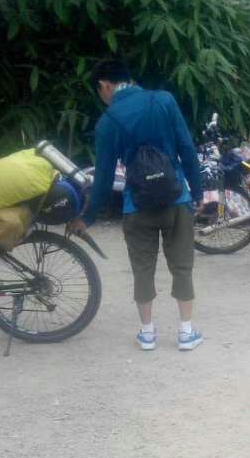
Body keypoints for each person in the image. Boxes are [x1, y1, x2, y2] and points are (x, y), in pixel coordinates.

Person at [70, 60, 204, 351]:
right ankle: (186, 331)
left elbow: (104, 179)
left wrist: (88, 217)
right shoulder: (164, 100)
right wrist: (197, 192)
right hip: (176, 199)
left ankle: (147, 333)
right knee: (182, 266)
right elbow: (186, 148)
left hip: (137, 206)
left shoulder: (107, 122)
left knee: (143, 269)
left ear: (105, 85)